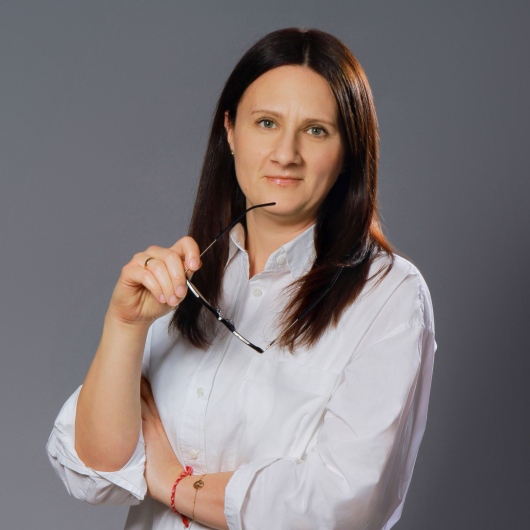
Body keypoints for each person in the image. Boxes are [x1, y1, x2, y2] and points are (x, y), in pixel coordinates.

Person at [47, 28, 436, 530]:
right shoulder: (180, 278)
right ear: (230, 131)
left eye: (316, 130)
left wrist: (171, 481)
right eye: (266, 122)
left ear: (349, 150)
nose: (286, 153)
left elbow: (343, 506)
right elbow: (95, 471)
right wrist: (125, 325)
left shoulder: (389, 296)